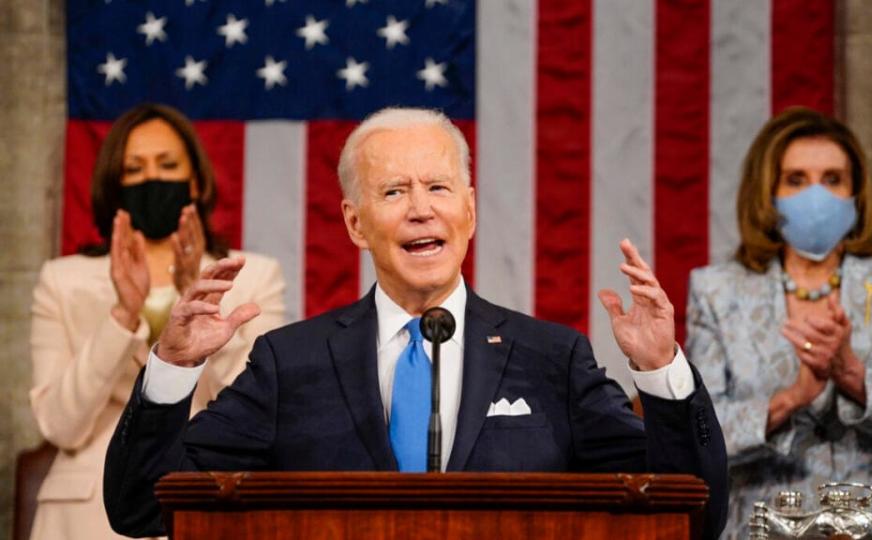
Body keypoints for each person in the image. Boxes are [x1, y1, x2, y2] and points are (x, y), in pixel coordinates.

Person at [103, 107, 729, 539]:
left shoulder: (552, 359)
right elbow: (140, 505)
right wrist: (173, 367)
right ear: (355, 224)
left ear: (470, 209)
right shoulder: (289, 364)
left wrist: (661, 372)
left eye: (439, 187)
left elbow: (690, 511)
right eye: (395, 192)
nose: (422, 210)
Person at [685, 107, 872, 538]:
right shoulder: (717, 290)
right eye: (796, 180)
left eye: (833, 179)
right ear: (767, 192)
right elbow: (699, 439)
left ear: (856, 191)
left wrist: (855, 377)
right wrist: (789, 400)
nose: (818, 196)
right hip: (763, 527)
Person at [29, 103, 286, 540]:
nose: (153, 179)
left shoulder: (254, 275)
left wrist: (202, 298)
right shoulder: (62, 279)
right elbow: (59, 425)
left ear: (196, 180)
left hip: (210, 501)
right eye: (135, 169)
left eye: (167, 165)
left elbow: (261, 410)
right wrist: (122, 315)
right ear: (116, 184)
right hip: (86, 518)